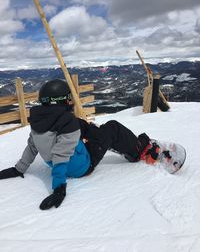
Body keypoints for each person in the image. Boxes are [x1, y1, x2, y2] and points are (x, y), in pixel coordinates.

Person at [0, 79, 159, 210]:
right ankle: (139, 150)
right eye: (68, 98)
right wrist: (59, 188)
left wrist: (18, 169)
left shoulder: (37, 122)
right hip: (82, 166)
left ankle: (94, 134)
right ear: (62, 101)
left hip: (67, 158)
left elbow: (32, 147)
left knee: (81, 125)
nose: (70, 101)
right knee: (113, 127)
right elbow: (61, 156)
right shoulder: (68, 123)